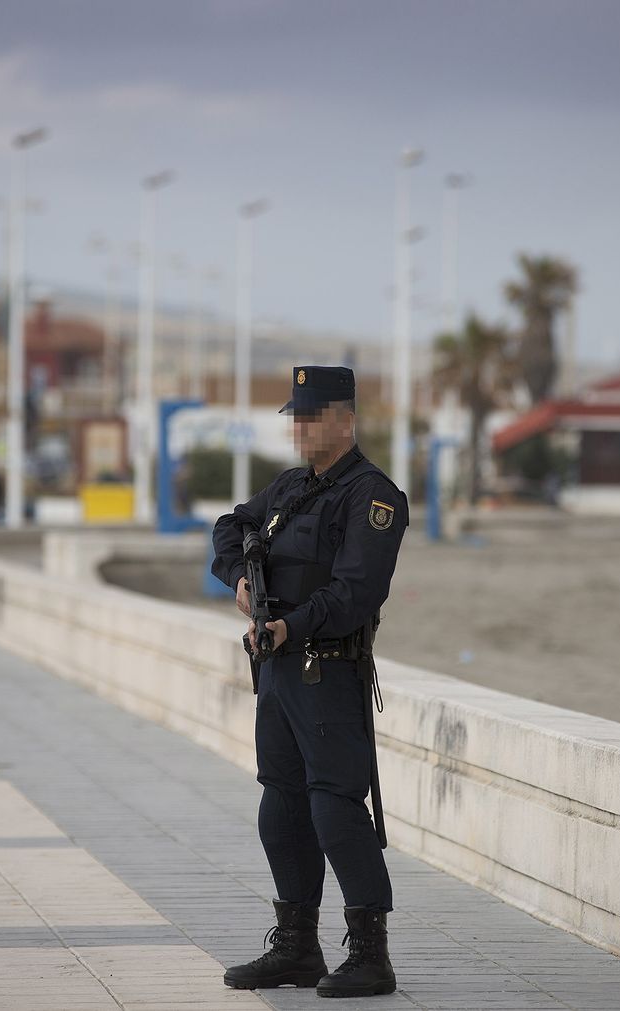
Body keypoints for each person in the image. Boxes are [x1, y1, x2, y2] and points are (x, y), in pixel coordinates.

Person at [211, 365, 409, 998]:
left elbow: (354, 593)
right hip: (277, 673)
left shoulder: (373, 498)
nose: (298, 427)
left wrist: (288, 629)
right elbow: (229, 525)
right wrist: (238, 579)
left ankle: (371, 955)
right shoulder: (292, 487)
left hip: (327, 670)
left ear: (344, 421)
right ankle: (296, 947)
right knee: (282, 805)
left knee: (334, 808)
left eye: (310, 416)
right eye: (293, 416)